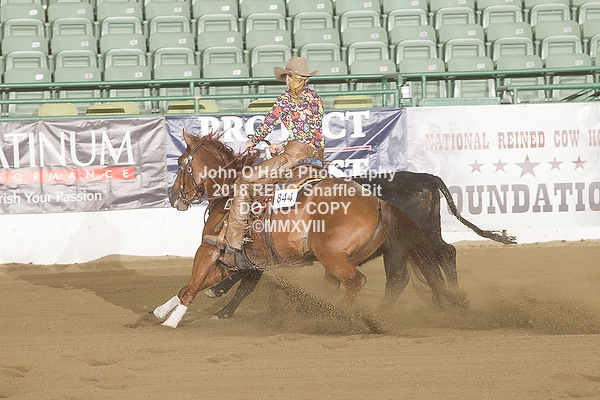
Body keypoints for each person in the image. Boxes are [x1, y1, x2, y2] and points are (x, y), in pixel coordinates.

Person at [204, 56, 325, 269]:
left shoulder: (286, 98)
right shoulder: (316, 98)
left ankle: (233, 242)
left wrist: (253, 141)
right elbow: (309, 134)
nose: (286, 80)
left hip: (293, 157)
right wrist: (284, 145)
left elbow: (268, 123)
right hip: (316, 157)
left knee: (244, 182)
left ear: (292, 78)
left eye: (287, 76)